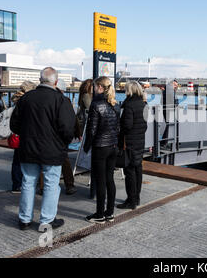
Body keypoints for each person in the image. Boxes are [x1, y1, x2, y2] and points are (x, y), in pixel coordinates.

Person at [10, 67, 76, 231]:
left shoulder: (26, 99)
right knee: (51, 184)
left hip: (28, 148)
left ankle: (24, 219)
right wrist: (63, 143)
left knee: (28, 182)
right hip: (52, 150)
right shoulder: (61, 100)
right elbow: (68, 128)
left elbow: (14, 125)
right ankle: (46, 221)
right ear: (55, 81)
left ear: (40, 80)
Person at [83, 77, 120, 223]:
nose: (92, 89)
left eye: (94, 86)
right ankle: (109, 212)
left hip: (100, 147)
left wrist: (87, 146)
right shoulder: (116, 104)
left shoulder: (96, 105)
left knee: (100, 181)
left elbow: (92, 131)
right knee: (110, 179)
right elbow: (118, 128)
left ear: (99, 87)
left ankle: (100, 215)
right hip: (113, 146)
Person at [37, 79, 79, 195]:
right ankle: (69, 185)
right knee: (64, 161)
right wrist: (74, 134)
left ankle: (42, 187)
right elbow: (72, 120)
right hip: (59, 138)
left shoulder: (43, 99)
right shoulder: (65, 101)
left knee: (43, 162)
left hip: (43, 137)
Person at [117, 81, 148, 210]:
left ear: (129, 91)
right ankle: (137, 198)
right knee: (138, 169)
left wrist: (120, 128)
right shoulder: (144, 104)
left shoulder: (129, 105)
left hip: (129, 142)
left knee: (129, 171)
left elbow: (127, 126)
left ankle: (131, 200)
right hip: (140, 141)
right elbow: (145, 125)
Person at [10, 81, 37, 193]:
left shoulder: (16, 99)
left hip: (18, 134)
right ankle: (23, 184)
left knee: (17, 160)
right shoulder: (27, 101)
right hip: (26, 134)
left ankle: (16, 184)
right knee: (26, 161)